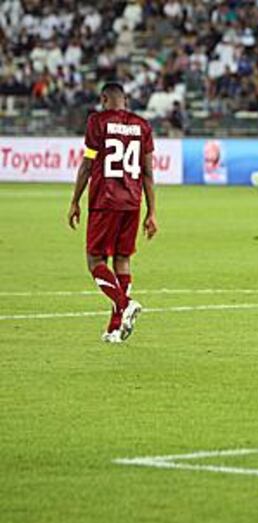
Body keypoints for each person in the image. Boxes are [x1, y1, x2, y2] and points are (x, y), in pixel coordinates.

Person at [67, 82, 157, 343]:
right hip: (132, 202)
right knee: (122, 260)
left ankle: (124, 303)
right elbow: (148, 173)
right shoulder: (142, 126)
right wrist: (152, 212)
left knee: (95, 261)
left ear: (104, 99)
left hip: (105, 201)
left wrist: (75, 200)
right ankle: (115, 328)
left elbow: (87, 164)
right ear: (125, 99)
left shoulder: (98, 122)